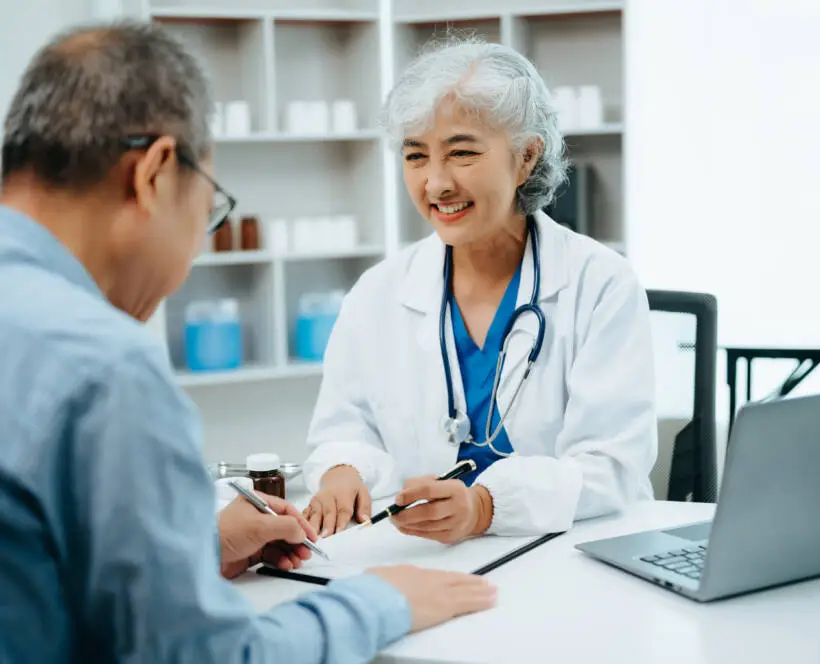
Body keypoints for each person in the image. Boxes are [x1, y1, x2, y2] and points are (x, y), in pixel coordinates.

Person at [0, 22, 495, 664]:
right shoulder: (103, 370)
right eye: (209, 211)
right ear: (152, 173)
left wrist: (193, 548)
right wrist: (383, 601)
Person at [302, 38, 659, 543]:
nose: (436, 183)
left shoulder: (600, 284)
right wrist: (343, 470)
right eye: (416, 156)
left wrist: (486, 507)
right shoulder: (377, 294)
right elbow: (344, 428)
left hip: (572, 558)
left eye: (462, 153)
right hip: (430, 559)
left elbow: (611, 467)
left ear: (526, 157)